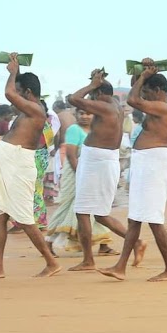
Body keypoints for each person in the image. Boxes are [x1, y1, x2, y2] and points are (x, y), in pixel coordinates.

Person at [0, 53, 61, 279]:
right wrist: (18, 73)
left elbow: (9, 93)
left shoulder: (36, 110)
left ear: (28, 93)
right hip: (10, 163)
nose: (17, 97)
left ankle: (51, 262)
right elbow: (15, 92)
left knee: (24, 218)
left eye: (22, 92)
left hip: (19, 164)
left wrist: (13, 73)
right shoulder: (28, 108)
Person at [99, 62, 167, 282]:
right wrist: (140, 73)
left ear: (158, 91)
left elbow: (133, 100)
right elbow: (136, 92)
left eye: (147, 92)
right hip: (146, 163)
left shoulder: (164, 108)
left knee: (153, 219)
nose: (144, 95)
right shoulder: (157, 106)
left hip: (153, 164)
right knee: (135, 219)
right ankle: (120, 266)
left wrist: (143, 76)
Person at [67, 69, 145, 272]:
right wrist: (96, 83)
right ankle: (136, 243)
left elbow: (73, 99)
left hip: (96, 162)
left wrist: (92, 84)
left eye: (93, 93)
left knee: (82, 211)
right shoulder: (115, 105)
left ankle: (88, 260)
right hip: (104, 160)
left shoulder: (103, 106)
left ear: (98, 93)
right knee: (100, 214)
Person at [45, 109, 116, 256]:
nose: (84, 116)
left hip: (91, 173)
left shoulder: (96, 129)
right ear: (76, 114)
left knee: (97, 208)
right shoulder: (74, 129)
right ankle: (48, 243)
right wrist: (82, 175)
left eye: (88, 113)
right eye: (81, 113)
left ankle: (104, 244)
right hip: (76, 172)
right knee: (68, 207)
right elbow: (71, 155)